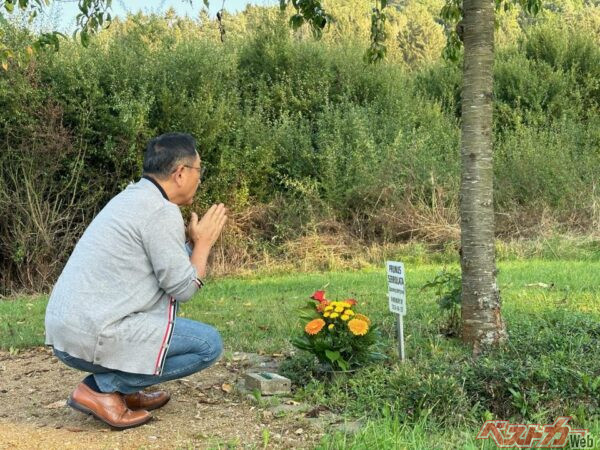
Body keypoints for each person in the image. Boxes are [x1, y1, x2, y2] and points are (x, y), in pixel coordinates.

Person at [45, 132, 227, 429]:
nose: (200, 179)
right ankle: (101, 388)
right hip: (93, 334)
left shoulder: (135, 197)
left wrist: (192, 244)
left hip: (69, 332)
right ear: (180, 173)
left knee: (181, 332)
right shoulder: (161, 211)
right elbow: (183, 288)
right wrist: (204, 244)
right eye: (199, 171)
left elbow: (168, 271)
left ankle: (126, 389)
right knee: (207, 345)